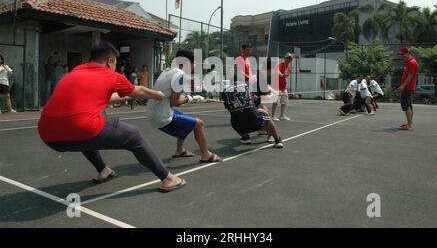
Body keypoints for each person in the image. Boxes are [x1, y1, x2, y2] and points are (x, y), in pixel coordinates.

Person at [38, 41, 186, 192]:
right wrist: (157, 95)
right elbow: (140, 91)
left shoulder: (77, 70)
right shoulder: (110, 74)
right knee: (134, 135)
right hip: (80, 128)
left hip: (48, 135)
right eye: (115, 62)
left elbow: (104, 98)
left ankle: (103, 170)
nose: (115, 66)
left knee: (90, 123)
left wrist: (128, 97)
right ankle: (168, 179)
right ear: (110, 61)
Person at [147, 50, 222, 163]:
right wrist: (192, 98)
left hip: (155, 111)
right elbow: (175, 102)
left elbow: (170, 95)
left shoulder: (168, 71)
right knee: (198, 123)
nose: (193, 67)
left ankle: (180, 150)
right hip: (161, 115)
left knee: (186, 120)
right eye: (193, 64)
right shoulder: (180, 75)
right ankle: (206, 155)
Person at [221, 74, 284, 148]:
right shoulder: (248, 85)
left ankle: (245, 137)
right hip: (255, 122)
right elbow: (260, 95)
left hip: (238, 126)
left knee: (234, 119)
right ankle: (276, 139)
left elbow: (230, 110)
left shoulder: (224, 92)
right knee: (266, 115)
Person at [397, 47, 419, 131]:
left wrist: (403, 86)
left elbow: (410, 76)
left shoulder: (412, 63)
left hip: (407, 87)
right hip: (408, 87)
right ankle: (410, 123)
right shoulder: (409, 62)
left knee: (406, 105)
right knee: (408, 105)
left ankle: (409, 125)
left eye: (403, 54)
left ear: (407, 53)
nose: (402, 56)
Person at [272, 53, 294, 121]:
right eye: (287, 58)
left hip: (283, 86)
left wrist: (286, 75)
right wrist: (282, 75)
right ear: (285, 58)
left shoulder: (289, 67)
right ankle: (273, 116)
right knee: (275, 101)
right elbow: (277, 71)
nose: (289, 59)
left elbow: (287, 75)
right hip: (276, 86)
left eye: (290, 58)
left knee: (284, 101)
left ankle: (282, 115)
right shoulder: (280, 64)